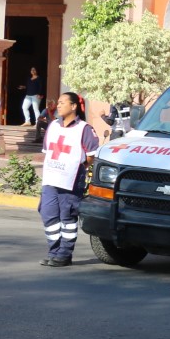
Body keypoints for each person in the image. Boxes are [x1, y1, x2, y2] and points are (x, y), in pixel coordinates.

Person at [38, 92, 100, 267]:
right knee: (48, 215)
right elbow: (48, 152)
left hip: (71, 180)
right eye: (58, 102)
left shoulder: (85, 129)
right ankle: (53, 252)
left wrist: (77, 169)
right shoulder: (53, 126)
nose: (58, 105)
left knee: (67, 217)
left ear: (73, 106)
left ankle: (64, 254)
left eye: (62, 102)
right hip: (50, 179)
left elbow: (91, 156)